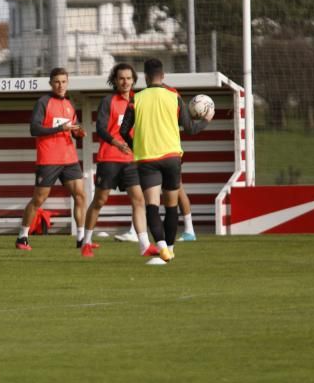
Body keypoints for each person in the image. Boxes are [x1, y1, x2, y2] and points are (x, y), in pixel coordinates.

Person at [119, 58, 212, 263]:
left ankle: (161, 247)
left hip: (147, 159)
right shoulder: (174, 96)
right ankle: (169, 248)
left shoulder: (137, 98)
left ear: (144, 77)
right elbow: (190, 129)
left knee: (151, 205)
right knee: (171, 206)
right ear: (163, 76)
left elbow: (123, 130)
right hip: (171, 158)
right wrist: (205, 120)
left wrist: (136, 145)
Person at [81, 63, 156, 258]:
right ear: (115, 80)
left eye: (129, 78)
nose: (125, 82)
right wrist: (117, 143)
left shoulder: (138, 101)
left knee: (139, 200)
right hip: (110, 159)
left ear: (134, 80)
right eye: (121, 78)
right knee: (99, 201)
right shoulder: (108, 101)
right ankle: (86, 241)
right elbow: (101, 128)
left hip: (131, 160)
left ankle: (144, 245)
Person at [16, 67, 88, 251]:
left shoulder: (69, 104)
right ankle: (22, 237)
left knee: (80, 195)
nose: (60, 85)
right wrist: (60, 129)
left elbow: (73, 129)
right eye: (57, 82)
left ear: (67, 83)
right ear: (51, 83)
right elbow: (34, 129)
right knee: (39, 199)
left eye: (64, 81)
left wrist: (79, 133)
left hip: (69, 158)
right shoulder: (43, 102)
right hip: (48, 158)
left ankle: (81, 238)